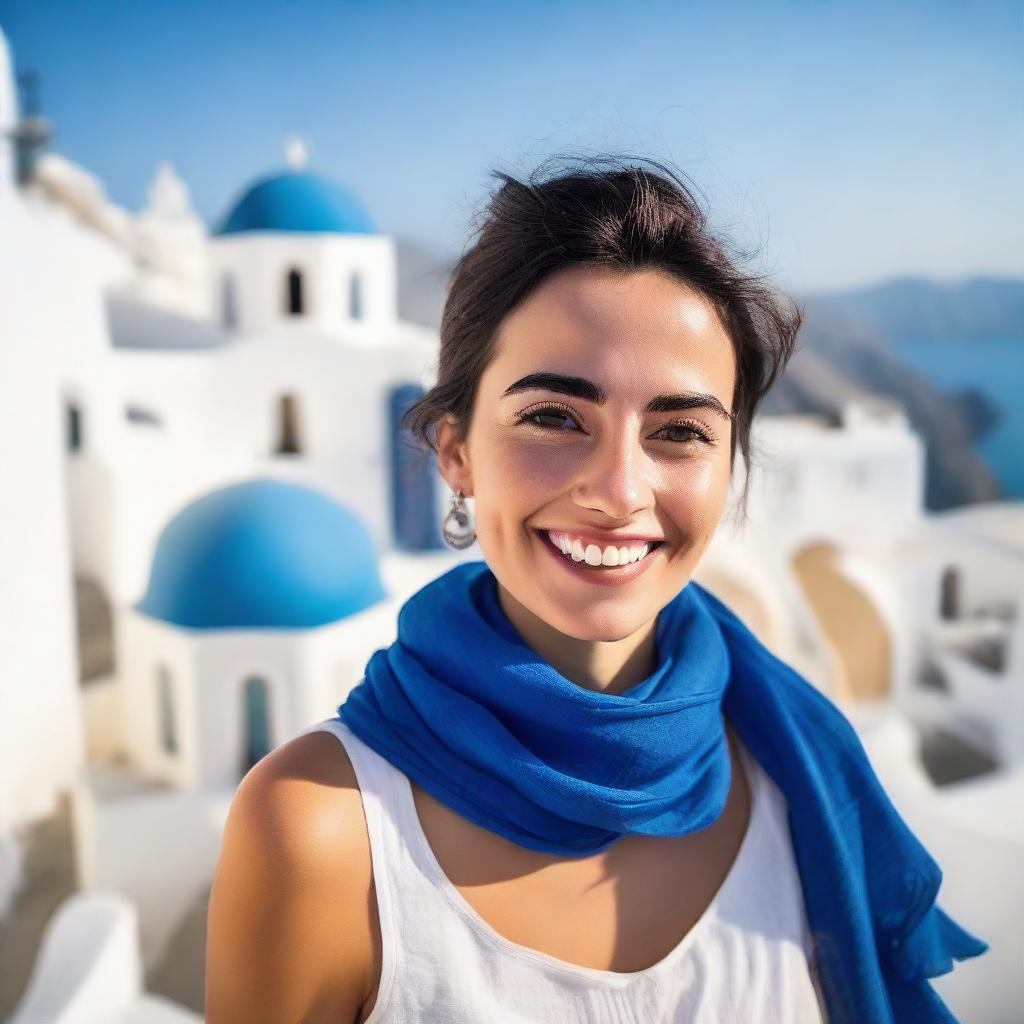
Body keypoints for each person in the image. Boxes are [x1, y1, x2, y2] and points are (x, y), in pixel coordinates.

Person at [205, 155, 987, 1024]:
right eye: (553, 416)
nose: (619, 491)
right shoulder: (319, 830)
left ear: (730, 466)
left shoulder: (792, 774)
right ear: (456, 452)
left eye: (681, 430)